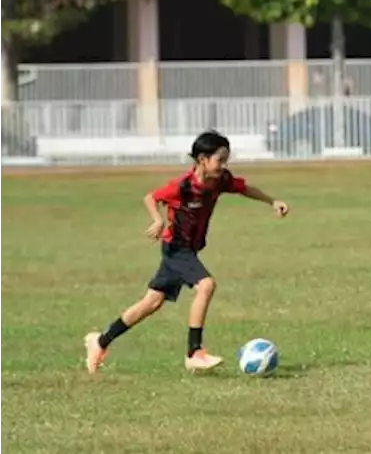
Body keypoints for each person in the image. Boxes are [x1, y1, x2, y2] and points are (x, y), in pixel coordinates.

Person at [83, 130, 289, 374]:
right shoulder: (182, 186)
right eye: (219, 160)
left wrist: (272, 201)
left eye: (226, 160)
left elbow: (244, 188)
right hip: (176, 248)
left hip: (188, 250)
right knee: (206, 285)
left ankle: (100, 341)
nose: (224, 166)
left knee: (151, 302)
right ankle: (194, 352)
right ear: (202, 159)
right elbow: (151, 197)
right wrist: (157, 220)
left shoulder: (220, 180)